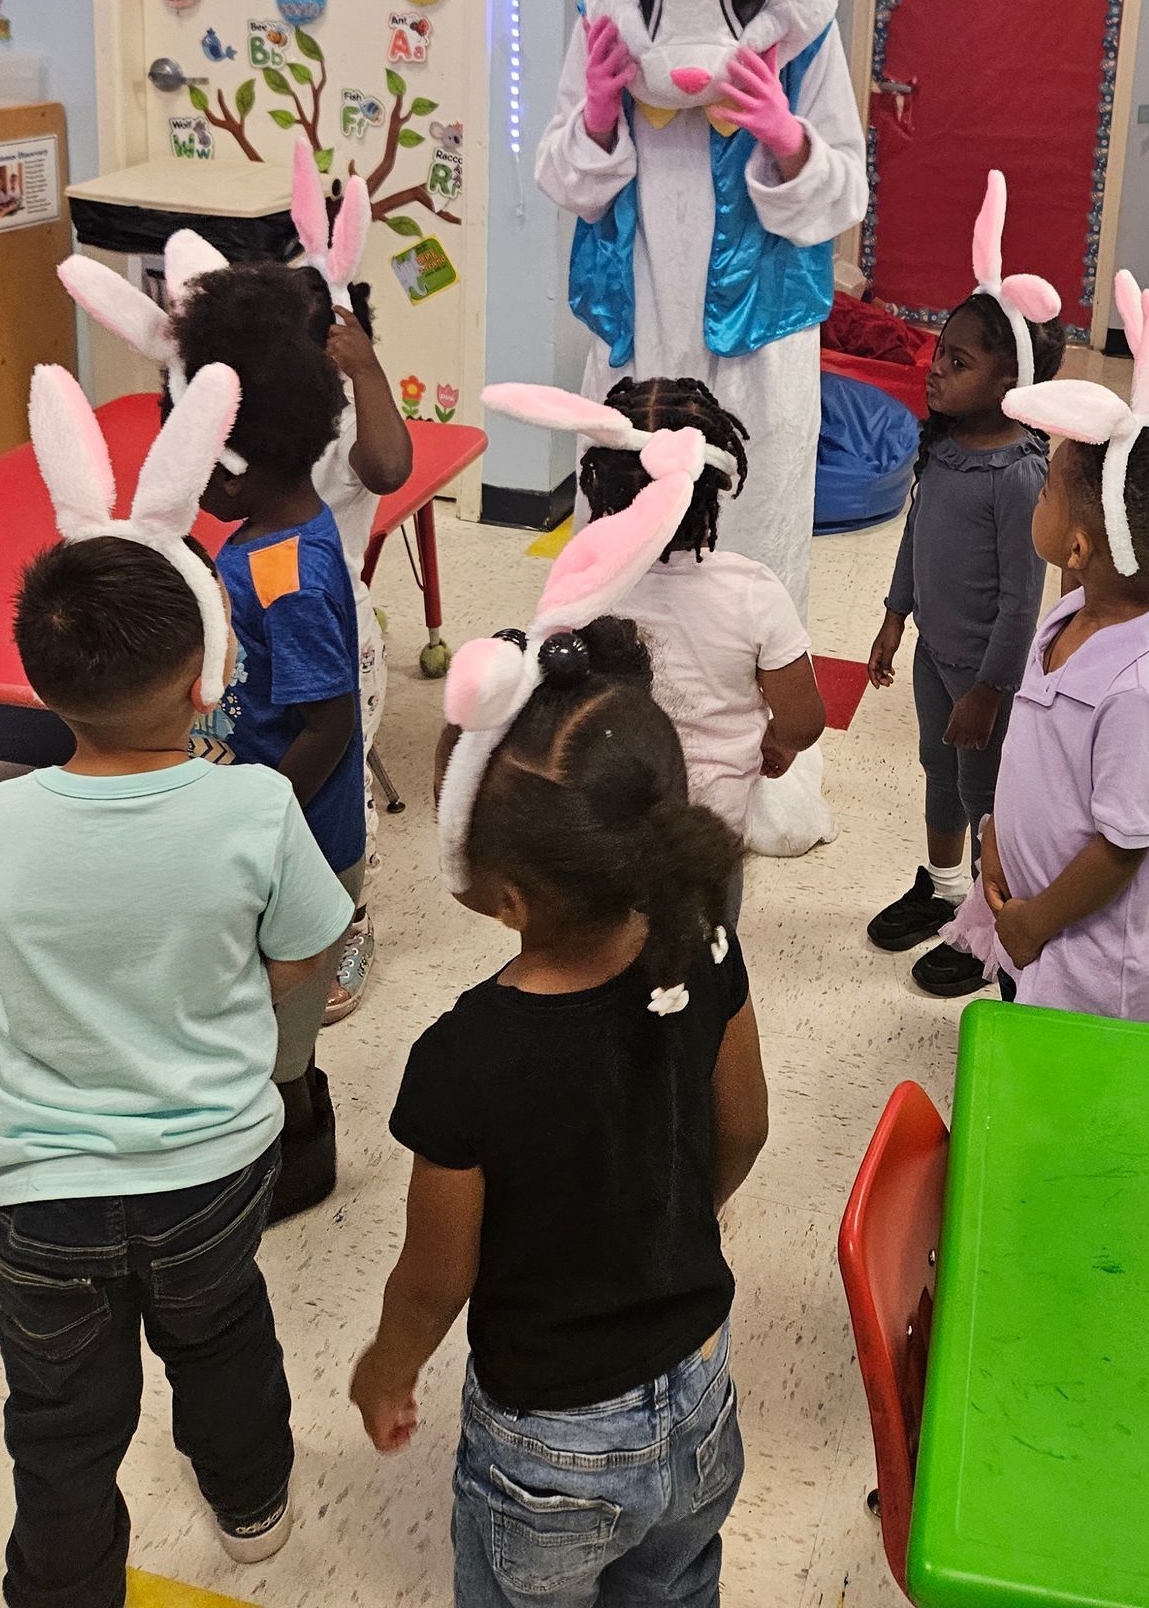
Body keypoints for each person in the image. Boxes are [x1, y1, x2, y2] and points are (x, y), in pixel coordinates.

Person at [0, 367, 354, 1607]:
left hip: (42, 1193)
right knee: (224, 1344)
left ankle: (62, 1584)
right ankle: (254, 1508)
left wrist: (15, 1011)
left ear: (40, 689)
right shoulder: (255, 806)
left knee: (55, 1416)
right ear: (210, 681)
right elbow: (310, 949)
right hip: (211, 1171)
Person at [352, 616, 769, 1608]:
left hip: (552, 1442)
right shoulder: (705, 940)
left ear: (504, 894)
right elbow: (745, 1126)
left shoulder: (467, 1055)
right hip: (702, 1390)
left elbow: (437, 1274)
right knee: (674, 1589)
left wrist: (386, 1364)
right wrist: (676, 1213)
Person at [536, 0, 869, 620]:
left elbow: (846, 191)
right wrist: (600, 118)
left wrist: (788, 141)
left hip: (751, 351)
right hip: (634, 333)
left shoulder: (798, 42)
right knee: (623, 536)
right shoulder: (609, 29)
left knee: (747, 547)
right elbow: (561, 177)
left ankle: (746, 727)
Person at [174, 243, 412, 1023]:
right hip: (276, 633)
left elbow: (388, 468)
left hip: (328, 622)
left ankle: (346, 921)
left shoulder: (333, 432)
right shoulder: (261, 509)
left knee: (340, 798)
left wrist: (368, 371)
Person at [983, 281, 1149, 1021]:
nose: (1037, 505)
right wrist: (997, 835)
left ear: (1079, 545)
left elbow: (1123, 845)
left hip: (1088, 972)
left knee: (1070, 1107)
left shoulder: (1141, 693)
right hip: (1029, 927)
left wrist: (1036, 921)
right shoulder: (1075, 616)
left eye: (1047, 496)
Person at [175, 314, 365, 1220]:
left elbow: (327, 724)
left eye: (204, 451)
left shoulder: (284, 569)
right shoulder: (266, 537)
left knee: (281, 1043)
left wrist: (247, 816)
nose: (195, 470)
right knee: (265, 1025)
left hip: (294, 844)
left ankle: (292, 1171)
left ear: (248, 457)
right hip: (268, 823)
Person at [865, 172, 1065, 995]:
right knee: (937, 780)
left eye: (957, 361)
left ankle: (990, 932)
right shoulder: (946, 449)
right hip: (932, 660)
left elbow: (1025, 600)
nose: (934, 370)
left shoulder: (1019, 477)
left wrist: (990, 688)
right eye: (939, 354)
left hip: (984, 676)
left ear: (1009, 383)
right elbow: (917, 537)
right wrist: (891, 618)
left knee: (987, 803)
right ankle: (945, 891)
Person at [574, 377, 826, 894]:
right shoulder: (752, 591)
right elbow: (804, 720)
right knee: (709, 936)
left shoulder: (584, 584)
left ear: (598, 486)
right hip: (712, 823)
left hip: (609, 810)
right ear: (711, 488)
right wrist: (779, 742)